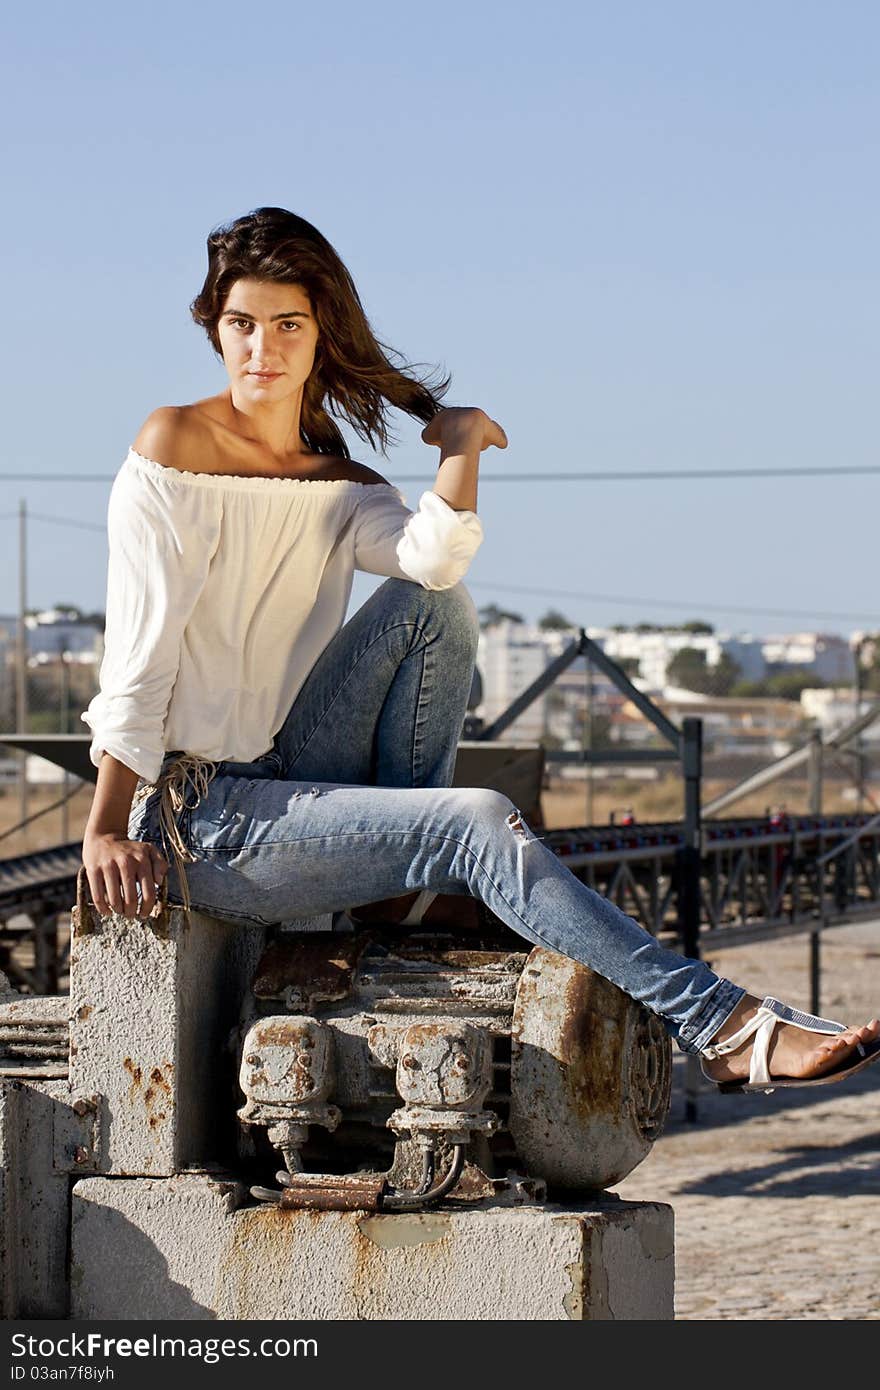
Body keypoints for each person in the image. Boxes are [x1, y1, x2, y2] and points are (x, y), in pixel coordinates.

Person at [81, 206, 879, 1097]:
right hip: (201, 819)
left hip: (285, 769)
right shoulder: (172, 447)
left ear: (319, 337)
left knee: (439, 607)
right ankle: (723, 1024)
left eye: (287, 325)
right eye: (240, 325)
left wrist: (460, 449)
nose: (260, 348)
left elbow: (433, 557)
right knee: (473, 819)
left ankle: (399, 880)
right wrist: (108, 825)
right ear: (213, 329)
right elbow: (140, 655)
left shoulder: (338, 485)